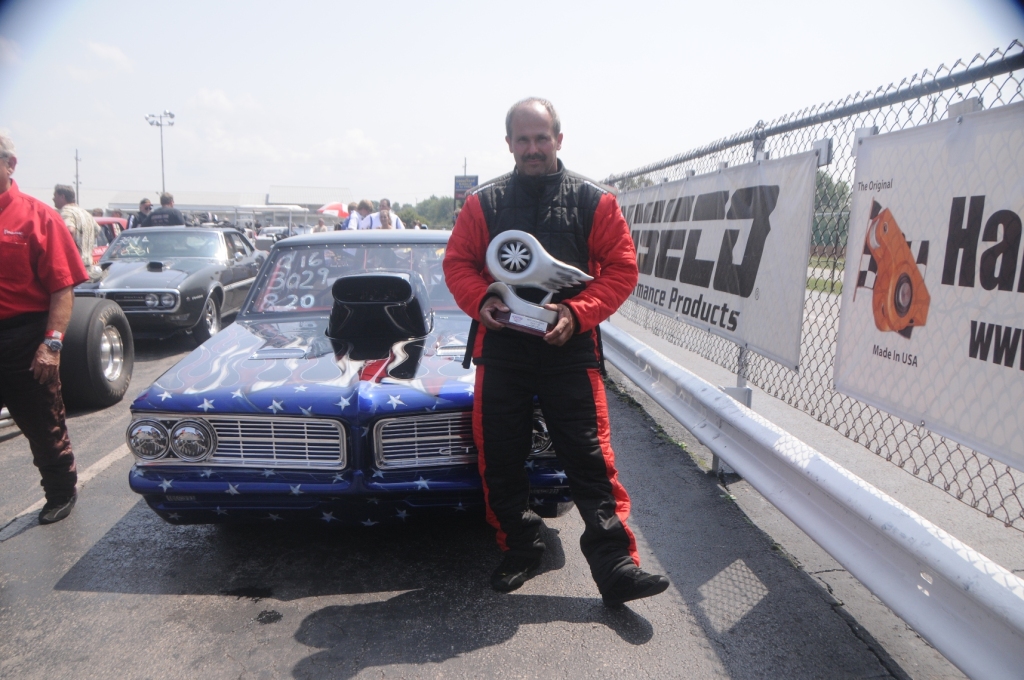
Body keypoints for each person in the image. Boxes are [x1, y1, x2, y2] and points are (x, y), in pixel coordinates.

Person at [443, 98, 669, 607]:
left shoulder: (597, 201)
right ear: (508, 144)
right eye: (522, 139)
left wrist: (578, 312)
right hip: (502, 349)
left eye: (541, 138)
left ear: (559, 140)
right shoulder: (482, 203)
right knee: (500, 456)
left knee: (591, 459)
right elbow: (458, 263)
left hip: (570, 349)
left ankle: (615, 566)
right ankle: (521, 548)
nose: (532, 148)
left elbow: (622, 270)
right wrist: (483, 300)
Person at [0, 134, 88, 524]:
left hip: (25, 338)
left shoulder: (38, 216)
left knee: (43, 423)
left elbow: (62, 286)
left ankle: (60, 491)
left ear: (9, 164)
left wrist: (50, 345)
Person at [52, 184, 96, 272]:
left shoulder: (66, 211)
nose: (53, 199)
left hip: (74, 264)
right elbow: (97, 230)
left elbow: (70, 230)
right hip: (88, 263)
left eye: (55, 196)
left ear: (62, 196)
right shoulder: (85, 213)